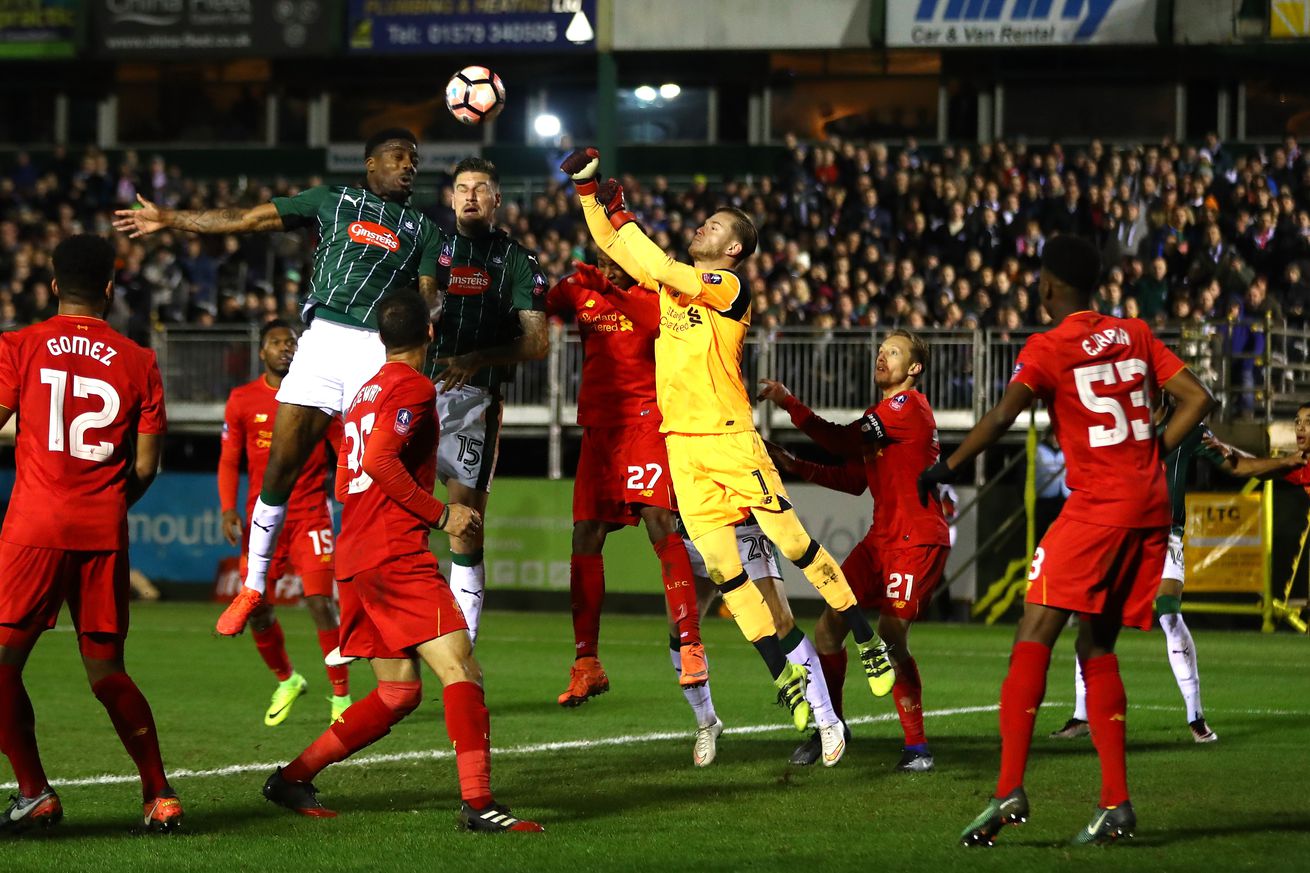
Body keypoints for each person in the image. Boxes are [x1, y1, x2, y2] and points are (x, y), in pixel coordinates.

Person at [562, 146, 896, 734]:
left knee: (792, 545)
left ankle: (866, 638)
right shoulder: (674, 291)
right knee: (723, 570)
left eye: (713, 226)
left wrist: (626, 217)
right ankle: (783, 676)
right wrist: (590, 195)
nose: (701, 227)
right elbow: (620, 252)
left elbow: (658, 264)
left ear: (733, 249)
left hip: (730, 438)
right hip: (682, 445)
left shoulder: (728, 287)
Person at [917, 235, 1215, 846]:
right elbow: (1198, 399)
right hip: (1149, 506)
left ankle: (1007, 790)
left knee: (1033, 634)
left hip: (1099, 506)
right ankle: (1115, 803)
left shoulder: (1048, 347)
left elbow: (1003, 416)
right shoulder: (1134, 332)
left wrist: (946, 467)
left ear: (1049, 286)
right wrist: (1152, 452)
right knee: (1096, 644)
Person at [114, 128, 446, 636]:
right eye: (399, 158)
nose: (409, 167)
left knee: (368, 480)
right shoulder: (333, 202)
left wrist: (423, 339)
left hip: (374, 352)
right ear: (370, 163)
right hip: (321, 342)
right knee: (279, 469)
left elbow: (425, 303)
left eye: (414, 162)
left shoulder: (423, 229)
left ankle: (379, 599)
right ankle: (253, 585)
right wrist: (169, 219)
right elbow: (248, 219)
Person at [261, 290, 542, 833]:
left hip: (357, 555)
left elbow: (350, 474)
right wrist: (442, 515)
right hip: (395, 554)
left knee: (397, 692)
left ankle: (292, 777)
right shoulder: (411, 387)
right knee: (461, 668)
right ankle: (479, 805)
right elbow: (381, 460)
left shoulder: (363, 393)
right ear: (431, 336)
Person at [0, 234, 182, 832]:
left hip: (34, 528)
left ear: (54, 285)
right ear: (110, 287)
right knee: (106, 670)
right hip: (102, 532)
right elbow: (148, 465)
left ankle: (35, 792)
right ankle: (158, 794)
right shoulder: (138, 360)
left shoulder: (20, 345)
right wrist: (106, 502)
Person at [761, 329, 951, 772]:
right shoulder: (879, 415)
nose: (883, 357)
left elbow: (841, 441)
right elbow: (854, 480)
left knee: (890, 639)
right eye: (881, 350)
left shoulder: (908, 407)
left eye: (895, 352)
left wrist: (790, 403)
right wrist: (794, 465)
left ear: (914, 369)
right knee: (828, 629)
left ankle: (918, 747)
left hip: (916, 540)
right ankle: (834, 727)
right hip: (879, 540)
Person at [544, 254, 704, 704]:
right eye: (602, 262)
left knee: (659, 522)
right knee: (584, 535)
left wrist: (610, 289)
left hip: (645, 422)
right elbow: (538, 303)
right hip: (598, 428)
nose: (608, 270)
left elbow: (654, 323)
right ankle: (586, 663)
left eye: (617, 262)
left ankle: (690, 643)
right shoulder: (579, 288)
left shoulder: (656, 292)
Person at [427, 157, 549, 645]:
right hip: (415, 393)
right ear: (450, 198)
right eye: (462, 188)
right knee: (393, 517)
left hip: (474, 402)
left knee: (465, 526)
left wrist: (477, 358)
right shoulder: (431, 249)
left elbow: (537, 343)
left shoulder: (519, 262)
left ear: (497, 199)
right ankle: (395, 637)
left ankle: (463, 644)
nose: (471, 195)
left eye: (481, 188)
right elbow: (416, 304)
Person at [219, 319, 351, 726]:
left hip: (311, 512)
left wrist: (350, 493)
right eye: (276, 342)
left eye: (290, 342)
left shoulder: (316, 396)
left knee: (318, 602)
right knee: (257, 608)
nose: (284, 348)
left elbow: (343, 447)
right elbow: (229, 459)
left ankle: (342, 698)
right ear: (262, 352)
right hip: (265, 521)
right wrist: (227, 507)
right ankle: (288, 679)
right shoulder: (242, 399)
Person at [682, 515, 847, 768]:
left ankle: (828, 720)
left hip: (743, 525)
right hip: (697, 529)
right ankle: (706, 723)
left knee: (781, 621)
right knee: (683, 628)